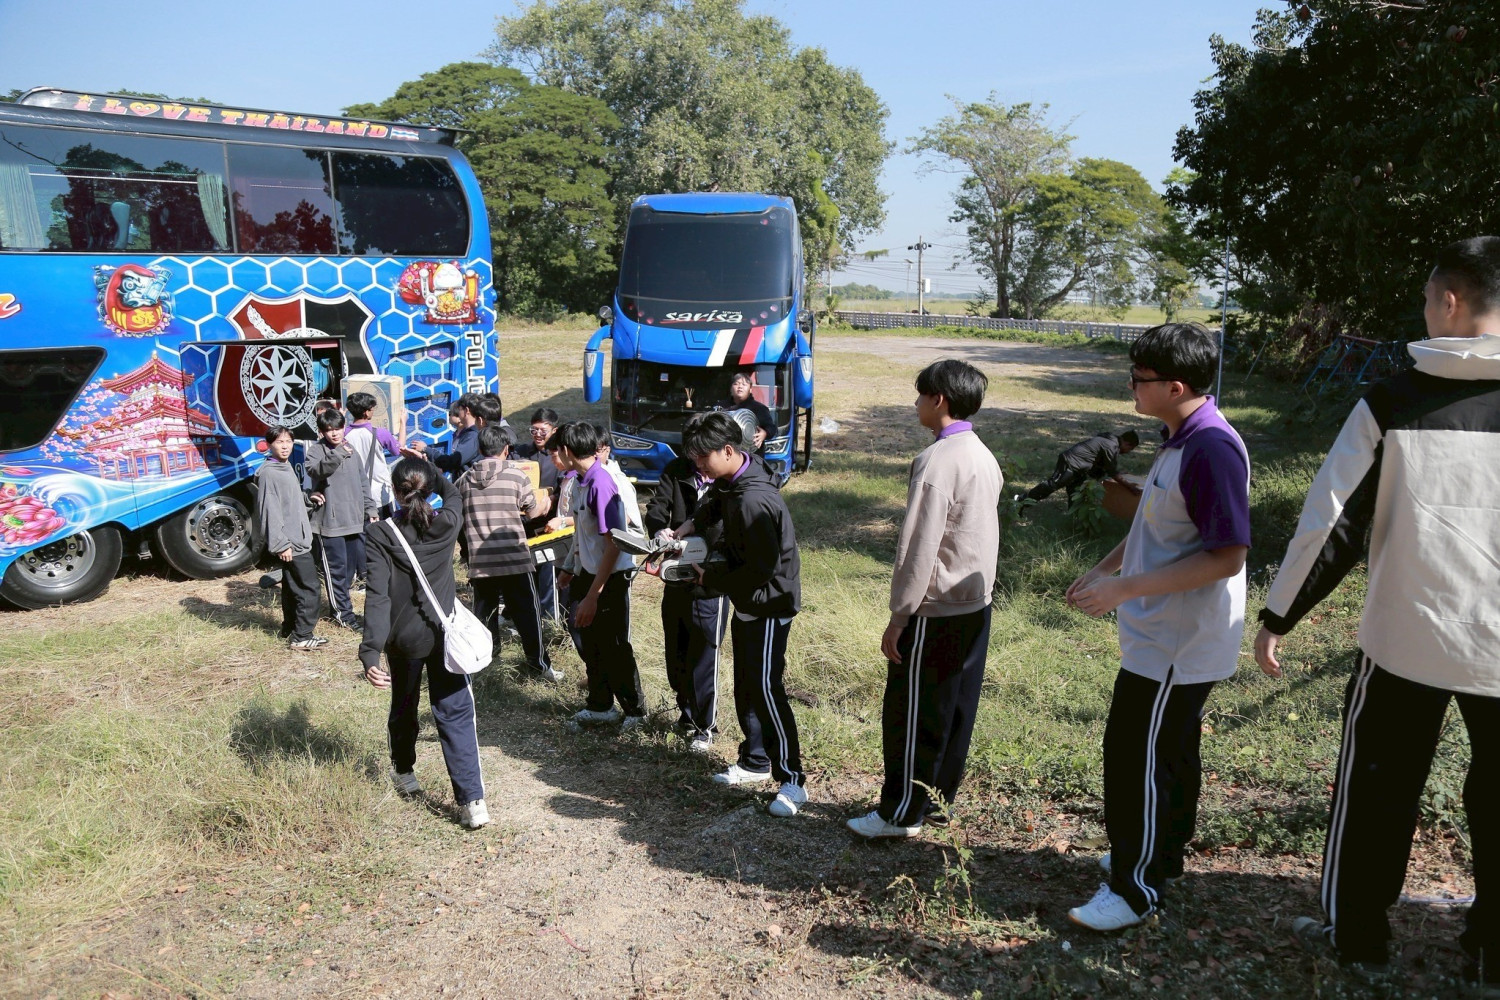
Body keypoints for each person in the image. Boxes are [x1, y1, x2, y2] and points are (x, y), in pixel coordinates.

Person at [1253, 237, 1500, 986]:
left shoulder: (1391, 400)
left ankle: (1357, 936)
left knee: (1377, 790)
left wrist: (1279, 614)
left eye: (1428, 296)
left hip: (1407, 637)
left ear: (1449, 301)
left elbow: (1333, 522)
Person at [1063, 322, 1250, 931]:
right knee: (1168, 753)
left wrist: (1124, 590)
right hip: (1162, 635)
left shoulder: (1210, 449)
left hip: (1177, 641)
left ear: (1174, 386)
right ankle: (1157, 856)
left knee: (1135, 756)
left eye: (1139, 380)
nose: (1130, 389)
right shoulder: (1178, 438)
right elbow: (1153, 526)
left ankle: (1134, 887)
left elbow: (1228, 555)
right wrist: (1103, 568)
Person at [847, 360, 1002, 839]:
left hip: (934, 609)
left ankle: (900, 812)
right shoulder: (982, 454)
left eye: (920, 396)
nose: (915, 404)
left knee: (912, 712)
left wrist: (900, 615)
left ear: (940, 400)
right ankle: (938, 801)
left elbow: (919, 546)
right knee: (955, 709)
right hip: (975, 604)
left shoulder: (937, 461)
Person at [677, 412, 807, 817]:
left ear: (728, 450)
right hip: (749, 599)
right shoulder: (734, 481)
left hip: (768, 602)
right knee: (748, 684)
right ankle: (755, 761)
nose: (697, 466)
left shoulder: (754, 499)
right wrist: (683, 530)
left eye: (702, 458)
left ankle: (793, 781)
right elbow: (713, 504)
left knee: (767, 689)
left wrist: (707, 573)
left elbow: (760, 568)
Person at [360, 457, 489, 830]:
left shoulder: (382, 534)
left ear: (396, 493)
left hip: (404, 640)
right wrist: (432, 468)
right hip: (445, 634)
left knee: (404, 703)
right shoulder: (447, 523)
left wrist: (370, 650)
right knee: (456, 714)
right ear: (429, 488)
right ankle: (472, 802)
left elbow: (377, 596)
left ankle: (405, 772)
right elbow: (453, 496)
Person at [554, 422, 649, 730]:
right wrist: (570, 566)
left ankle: (635, 711)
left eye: (557, 449)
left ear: (567, 451)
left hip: (609, 579)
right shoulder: (581, 480)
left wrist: (594, 595)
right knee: (589, 641)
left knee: (614, 645)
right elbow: (584, 535)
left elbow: (613, 545)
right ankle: (600, 706)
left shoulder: (602, 484)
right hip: (588, 573)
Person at [644, 420, 730, 753]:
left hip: (712, 580)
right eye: (691, 454)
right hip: (675, 572)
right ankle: (686, 711)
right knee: (675, 649)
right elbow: (657, 507)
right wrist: (661, 530)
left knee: (704, 652)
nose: (697, 462)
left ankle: (705, 725)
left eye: (701, 454)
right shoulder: (677, 470)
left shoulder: (728, 481)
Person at [458, 424, 561, 683]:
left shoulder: (464, 480)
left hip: (481, 562)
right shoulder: (516, 476)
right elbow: (533, 511)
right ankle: (538, 665)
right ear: (506, 449)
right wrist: (547, 502)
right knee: (528, 613)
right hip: (515, 559)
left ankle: (486, 663)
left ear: (480, 449)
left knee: (486, 614)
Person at [305, 407, 377, 630]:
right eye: (329, 430)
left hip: (354, 521)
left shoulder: (351, 449)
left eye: (338, 428)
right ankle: (343, 615)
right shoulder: (316, 451)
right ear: (321, 432)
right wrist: (337, 453)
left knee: (348, 572)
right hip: (331, 523)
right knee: (335, 571)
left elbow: (362, 482)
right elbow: (316, 471)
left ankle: (342, 606)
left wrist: (371, 509)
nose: (334, 433)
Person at [256, 425, 325, 650]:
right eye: (279, 442)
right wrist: (281, 544)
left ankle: (290, 628)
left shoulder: (283, 467)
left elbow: (290, 499)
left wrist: (308, 498)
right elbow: (270, 510)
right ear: (269, 445)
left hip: (295, 538)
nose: (285, 446)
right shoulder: (270, 472)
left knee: (292, 586)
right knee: (310, 588)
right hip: (292, 542)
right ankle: (303, 635)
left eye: (288, 441)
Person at [513, 408, 563, 621]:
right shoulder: (521, 453)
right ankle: (527, 613)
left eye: (543, 430)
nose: (538, 435)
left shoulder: (558, 456)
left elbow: (564, 486)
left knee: (547, 570)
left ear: (554, 430)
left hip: (549, 523)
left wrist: (551, 499)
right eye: (534, 430)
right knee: (526, 570)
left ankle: (549, 616)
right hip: (525, 522)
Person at [1023, 430, 1140, 504]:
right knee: (1051, 486)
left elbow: (1105, 468)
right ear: (1127, 443)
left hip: (1079, 467)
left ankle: (1074, 521)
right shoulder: (1111, 446)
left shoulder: (1110, 440)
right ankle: (1021, 501)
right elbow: (1112, 472)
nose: (1127, 452)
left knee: (1076, 493)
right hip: (1071, 463)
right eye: (1130, 449)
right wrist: (1130, 487)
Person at [345, 390, 399, 517]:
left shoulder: (343, 435)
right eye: (372, 409)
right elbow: (397, 450)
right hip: (381, 494)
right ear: (366, 412)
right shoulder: (380, 433)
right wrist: (402, 422)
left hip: (356, 494)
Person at [404, 392, 481, 477]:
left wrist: (426, 449)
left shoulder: (472, 436)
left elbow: (453, 461)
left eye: (459, 409)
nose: (458, 413)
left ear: (467, 411)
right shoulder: (468, 434)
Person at [720, 372, 777, 452]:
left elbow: (772, 428)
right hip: (726, 453)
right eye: (736, 384)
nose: (740, 387)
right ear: (730, 389)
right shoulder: (721, 406)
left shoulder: (759, 408)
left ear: (750, 389)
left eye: (744, 384)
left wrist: (765, 433)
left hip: (751, 455)